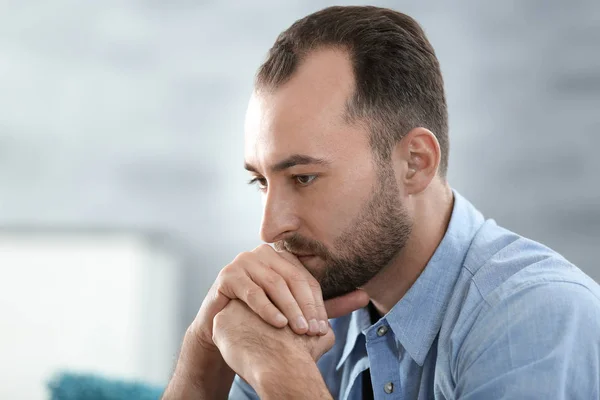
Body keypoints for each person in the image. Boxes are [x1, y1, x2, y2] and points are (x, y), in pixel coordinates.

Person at [162, 5, 600, 400]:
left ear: (415, 163)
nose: (269, 228)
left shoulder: (536, 318)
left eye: (303, 177)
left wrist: (283, 375)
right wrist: (203, 358)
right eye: (261, 181)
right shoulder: (302, 305)